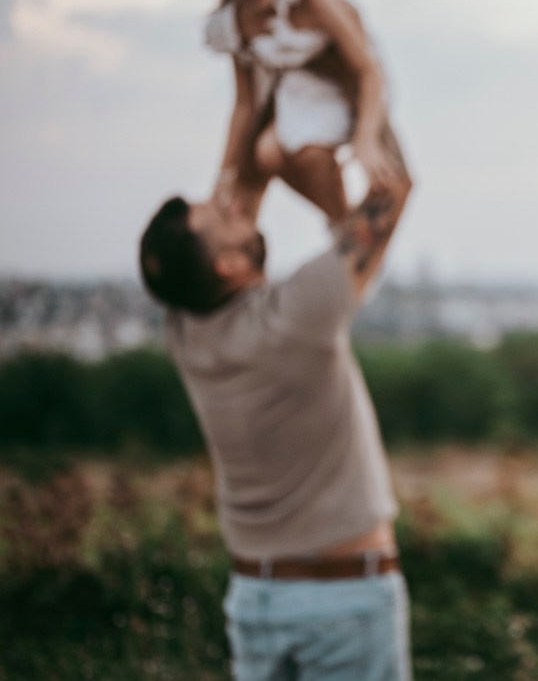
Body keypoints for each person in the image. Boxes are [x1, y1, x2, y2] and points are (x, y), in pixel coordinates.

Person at [138, 114, 413, 680]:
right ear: (232, 266)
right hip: (344, 599)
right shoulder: (298, 315)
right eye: (227, 218)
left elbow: (234, 188)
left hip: (254, 599)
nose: (235, 204)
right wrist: (362, 82)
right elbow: (395, 185)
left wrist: (255, 91)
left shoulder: (185, 332)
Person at [203, 0, 395, 221]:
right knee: (266, 152)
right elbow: (245, 106)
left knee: (306, 153)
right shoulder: (237, 25)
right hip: (296, 97)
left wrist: (366, 140)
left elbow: (368, 72)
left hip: (343, 90)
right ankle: (340, 218)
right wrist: (225, 175)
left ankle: (342, 220)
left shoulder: (310, 1)